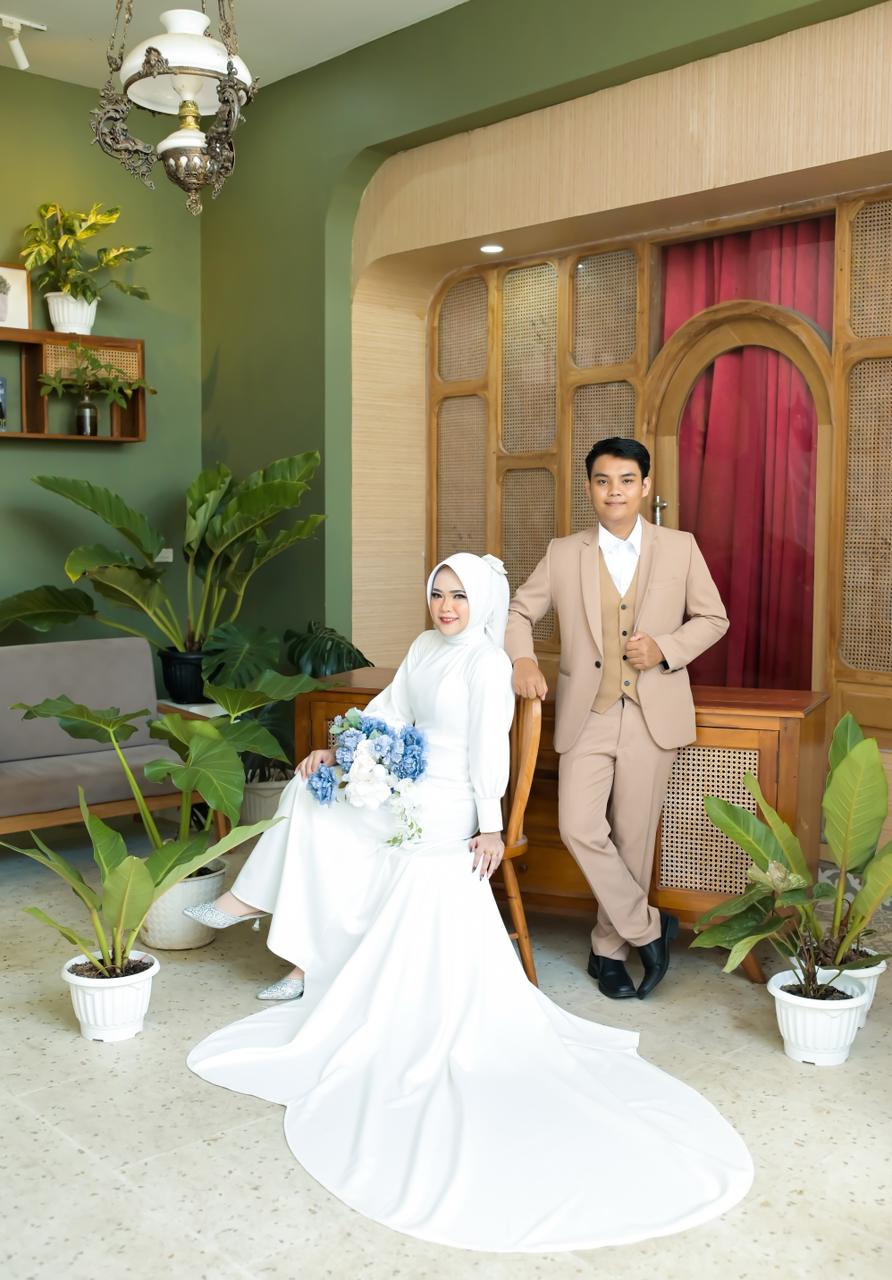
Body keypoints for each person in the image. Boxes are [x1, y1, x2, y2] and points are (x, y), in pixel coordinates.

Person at [186, 552, 751, 1252]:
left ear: (480, 600)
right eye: (438, 593)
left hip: (451, 798)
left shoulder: (486, 663)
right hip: (408, 780)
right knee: (310, 792)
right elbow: (387, 711)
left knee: (341, 821)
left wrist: (489, 825)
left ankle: (282, 934)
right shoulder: (425, 647)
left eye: (459, 595)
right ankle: (294, 947)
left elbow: (490, 752)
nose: (447, 606)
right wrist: (343, 749)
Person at [507, 438, 729, 1001]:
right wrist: (523, 660)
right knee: (578, 826)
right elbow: (518, 611)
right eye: (603, 481)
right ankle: (648, 929)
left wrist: (665, 648)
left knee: (633, 838)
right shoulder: (564, 553)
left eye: (627, 480)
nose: (615, 491)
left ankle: (608, 951)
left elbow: (713, 617)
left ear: (645, 486)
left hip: (654, 714)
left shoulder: (680, 547)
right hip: (589, 711)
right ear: (590, 488)